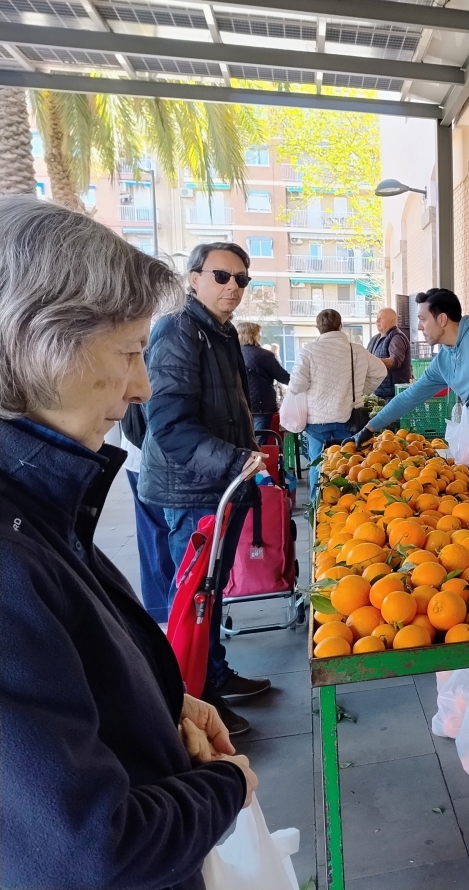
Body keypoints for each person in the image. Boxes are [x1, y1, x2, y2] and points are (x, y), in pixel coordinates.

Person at [0, 197, 257, 888]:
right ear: (39, 340)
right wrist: (225, 785)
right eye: (127, 351)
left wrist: (162, 700)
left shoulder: (38, 504)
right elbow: (88, 848)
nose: (140, 384)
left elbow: (71, 665)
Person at [139, 241, 270, 736]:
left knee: (210, 599)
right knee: (192, 604)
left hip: (222, 486)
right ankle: (197, 703)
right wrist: (237, 460)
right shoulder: (178, 329)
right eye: (221, 276)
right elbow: (170, 426)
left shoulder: (221, 331)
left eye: (242, 279)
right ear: (193, 278)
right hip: (192, 493)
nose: (233, 287)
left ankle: (216, 677)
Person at [354, 288, 469, 448]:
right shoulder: (443, 360)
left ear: (442, 319)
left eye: (423, 319)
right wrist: (369, 429)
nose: (419, 327)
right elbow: (410, 397)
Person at [289, 308, 386, 487]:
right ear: (340, 326)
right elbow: (380, 371)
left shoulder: (308, 351)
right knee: (348, 466)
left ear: (319, 328)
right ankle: (345, 505)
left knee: (317, 465)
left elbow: (296, 386)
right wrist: (361, 390)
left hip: (317, 422)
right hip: (349, 419)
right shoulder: (355, 350)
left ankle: (316, 507)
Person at [119, 401, 176, 624]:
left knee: (157, 532)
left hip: (149, 452)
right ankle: (165, 609)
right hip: (149, 456)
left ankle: (166, 607)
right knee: (157, 533)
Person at [238, 320, 291, 433]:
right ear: (253, 335)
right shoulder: (264, 355)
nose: (260, 336)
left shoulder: (232, 354)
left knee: (244, 439)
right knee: (260, 439)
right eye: (259, 333)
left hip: (239, 404)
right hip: (261, 404)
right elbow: (283, 377)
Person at [368, 306, 412, 400]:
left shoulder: (397, 337)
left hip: (393, 395)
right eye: (377, 318)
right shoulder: (375, 339)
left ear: (392, 321)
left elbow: (394, 361)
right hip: (378, 393)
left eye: (381, 318)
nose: (377, 321)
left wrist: (371, 362)